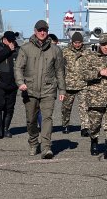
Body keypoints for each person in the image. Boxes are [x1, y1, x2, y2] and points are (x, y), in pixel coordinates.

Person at [14, 20, 66, 159]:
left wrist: (62, 90)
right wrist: (20, 83)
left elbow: (60, 71)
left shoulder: (55, 50)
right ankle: (33, 142)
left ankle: (46, 147)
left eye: (45, 30)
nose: (42, 32)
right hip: (29, 89)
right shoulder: (25, 48)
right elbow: (18, 68)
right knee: (31, 119)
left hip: (48, 89)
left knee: (47, 118)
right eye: (40, 30)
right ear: (35, 31)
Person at [0, 31, 19, 139]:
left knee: (9, 107)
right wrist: (7, 50)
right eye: (10, 41)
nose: (12, 43)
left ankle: (6, 129)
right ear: (4, 39)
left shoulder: (18, 50)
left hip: (13, 84)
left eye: (13, 41)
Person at [61, 32, 92, 135]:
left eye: (79, 42)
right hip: (69, 85)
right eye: (75, 42)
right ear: (72, 42)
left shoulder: (87, 53)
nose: (77, 44)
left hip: (83, 84)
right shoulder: (65, 52)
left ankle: (85, 127)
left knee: (84, 107)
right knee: (66, 107)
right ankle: (65, 125)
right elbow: (60, 68)